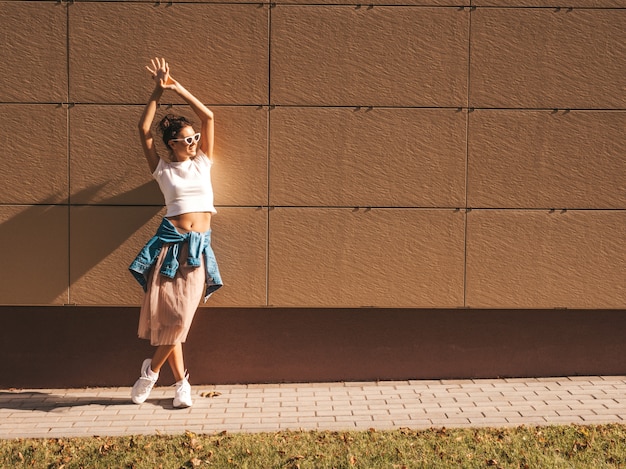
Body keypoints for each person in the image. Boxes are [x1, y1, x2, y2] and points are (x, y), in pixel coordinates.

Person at [128, 58, 222, 408]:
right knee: (173, 321)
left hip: (197, 249)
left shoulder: (203, 162)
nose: (195, 142)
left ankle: (149, 373)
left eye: (195, 138)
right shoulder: (162, 169)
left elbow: (209, 117)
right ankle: (182, 384)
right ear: (172, 143)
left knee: (182, 317)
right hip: (170, 248)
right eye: (187, 139)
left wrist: (176, 86)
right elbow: (142, 129)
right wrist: (156, 90)